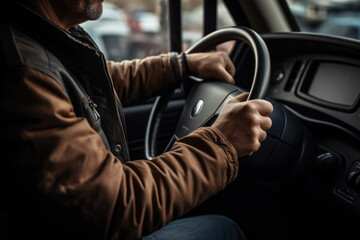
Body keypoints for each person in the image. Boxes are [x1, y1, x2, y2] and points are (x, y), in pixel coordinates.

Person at [0, 0, 273, 239]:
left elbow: (100, 83)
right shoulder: (25, 75)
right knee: (224, 228)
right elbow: (117, 206)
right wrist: (222, 141)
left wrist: (182, 64)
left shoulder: (36, 37)